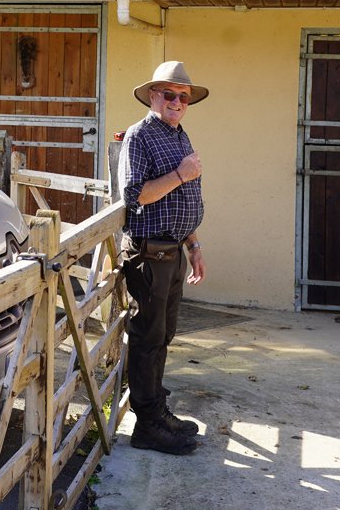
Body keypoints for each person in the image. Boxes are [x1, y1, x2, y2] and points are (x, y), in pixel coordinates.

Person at [118, 60, 208, 455]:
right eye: (169, 94)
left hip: (173, 251)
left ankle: (156, 411)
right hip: (149, 253)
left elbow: (182, 201)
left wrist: (194, 246)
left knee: (164, 335)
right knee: (147, 337)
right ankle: (147, 425)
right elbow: (135, 195)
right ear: (153, 96)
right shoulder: (139, 136)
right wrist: (181, 174)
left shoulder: (178, 135)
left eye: (183, 97)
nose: (177, 102)